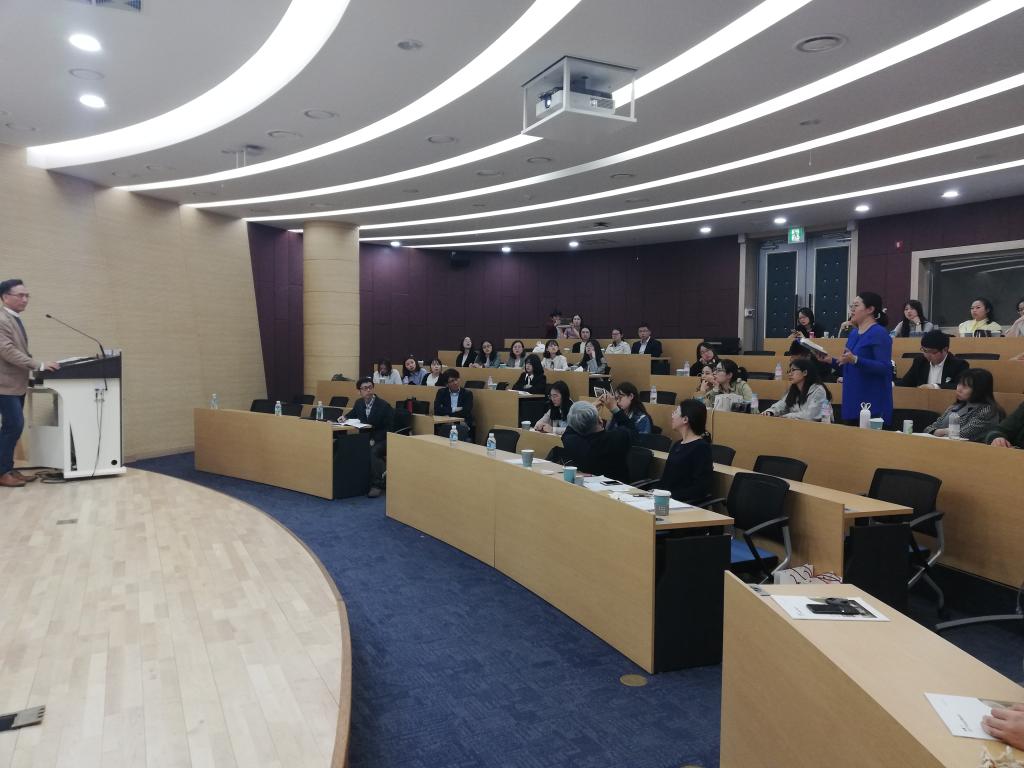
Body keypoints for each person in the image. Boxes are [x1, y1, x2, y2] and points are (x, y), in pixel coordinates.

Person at [0, 279, 60, 487]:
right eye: (20, 295)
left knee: (13, 427)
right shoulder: (2, 319)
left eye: (27, 295)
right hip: (4, 384)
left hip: (16, 383)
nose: (25, 299)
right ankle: (2, 472)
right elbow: (7, 351)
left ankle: (7, 468)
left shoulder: (13, 318)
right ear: (5, 297)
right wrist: (38, 365)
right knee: (13, 426)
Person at [816, 292, 893, 425]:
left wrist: (856, 360)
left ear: (870, 309)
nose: (852, 309)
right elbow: (848, 365)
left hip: (872, 403)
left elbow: (885, 368)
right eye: (851, 306)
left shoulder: (879, 333)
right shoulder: (853, 334)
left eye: (856, 306)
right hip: (851, 400)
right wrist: (829, 360)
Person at [653, 399, 713, 504]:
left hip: (681, 503)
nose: (672, 416)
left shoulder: (701, 448)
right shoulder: (677, 444)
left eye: (676, 412)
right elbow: (666, 479)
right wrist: (654, 492)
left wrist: (670, 496)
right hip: (665, 500)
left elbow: (700, 488)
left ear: (685, 419)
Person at [561, 401, 632, 482]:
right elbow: (630, 428)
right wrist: (614, 408)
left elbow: (569, 430)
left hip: (586, 486)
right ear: (600, 420)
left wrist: (584, 412)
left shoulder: (572, 442)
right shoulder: (616, 437)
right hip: (618, 487)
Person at [923, 369, 1002, 441]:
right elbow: (928, 429)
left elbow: (962, 435)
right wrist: (943, 431)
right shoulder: (954, 406)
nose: (959, 389)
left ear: (979, 390)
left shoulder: (987, 411)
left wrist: (939, 432)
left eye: (965, 387)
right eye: (959, 384)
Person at [346, 378, 394, 498]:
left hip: (385, 439)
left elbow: (390, 428)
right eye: (365, 388)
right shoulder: (359, 403)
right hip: (366, 438)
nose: (368, 390)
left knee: (373, 451)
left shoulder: (383, 405)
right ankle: (359, 480)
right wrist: (344, 417)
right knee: (350, 446)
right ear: (359, 391)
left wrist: (374, 439)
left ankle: (377, 484)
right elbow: (352, 414)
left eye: (370, 387)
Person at [896, 329, 968, 389]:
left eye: (931, 352)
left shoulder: (959, 365)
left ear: (945, 350)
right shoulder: (919, 361)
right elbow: (906, 382)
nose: (927, 355)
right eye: (924, 350)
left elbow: (960, 386)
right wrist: (891, 384)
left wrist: (935, 386)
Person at [763, 358, 831, 420]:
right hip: (797, 426)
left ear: (805, 373)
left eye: (793, 370)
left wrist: (788, 416)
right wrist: (770, 412)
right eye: (789, 371)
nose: (790, 374)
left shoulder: (818, 390)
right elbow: (782, 404)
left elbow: (811, 415)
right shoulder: (794, 389)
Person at [433, 369, 474, 440]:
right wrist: (453, 409)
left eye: (456, 379)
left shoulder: (467, 393)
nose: (455, 383)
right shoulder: (441, 392)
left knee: (458, 429)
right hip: (445, 423)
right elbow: (437, 409)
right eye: (452, 381)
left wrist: (448, 416)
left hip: (462, 422)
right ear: (446, 384)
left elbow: (466, 411)